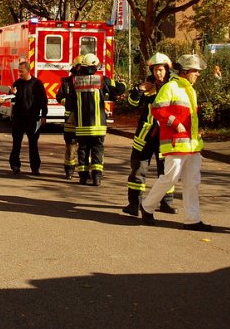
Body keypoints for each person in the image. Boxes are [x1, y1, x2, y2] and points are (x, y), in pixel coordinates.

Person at [141, 54, 210, 230]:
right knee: (169, 178)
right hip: (176, 143)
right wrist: (175, 122)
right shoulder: (171, 87)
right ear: (185, 72)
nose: (198, 74)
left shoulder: (190, 90)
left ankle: (192, 219)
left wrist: (198, 132)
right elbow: (157, 109)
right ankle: (147, 206)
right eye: (195, 71)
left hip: (192, 145)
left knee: (192, 183)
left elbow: (191, 118)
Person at [123, 53, 177, 217]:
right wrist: (139, 90)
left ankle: (167, 202)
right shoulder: (147, 86)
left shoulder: (174, 86)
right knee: (138, 170)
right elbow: (132, 103)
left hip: (165, 136)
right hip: (145, 136)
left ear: (167, 69)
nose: (158, 74)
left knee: (166, 171)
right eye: (155, 70)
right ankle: (134, 204)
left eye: (160, 70)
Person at [72, 53, 126, 185]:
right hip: (98, 125)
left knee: (83, 150)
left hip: (81, 124)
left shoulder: (75, 81)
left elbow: (70, 103)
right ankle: (96, 177)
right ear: (95, 66)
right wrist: (123, 85)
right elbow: (118, 89)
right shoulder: (102, 80)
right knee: (97, 150)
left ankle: (83, 177)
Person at [9, 60, 48, 175]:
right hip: (18, 118)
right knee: (16, 143)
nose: (19, 73)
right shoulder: (17, 83)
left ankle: (35, 168)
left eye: (21, 71)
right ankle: (15, 166)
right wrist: (11, 93)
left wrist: (44, 115)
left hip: (32, 118)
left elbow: (43, 101)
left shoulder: (37, 84)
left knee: (33, 144)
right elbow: (12, 99)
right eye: (19, 71)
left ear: (28, 70)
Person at [55, 55, 84, 179]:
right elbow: (59, 97)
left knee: (84, 147)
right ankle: (69, 170)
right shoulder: (67, 82)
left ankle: (84, 172)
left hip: (86, 119)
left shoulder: (91, 81)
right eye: (80, 66)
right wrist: (67, 102)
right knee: (70, 148)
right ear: (75, 67)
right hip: (70, 118)